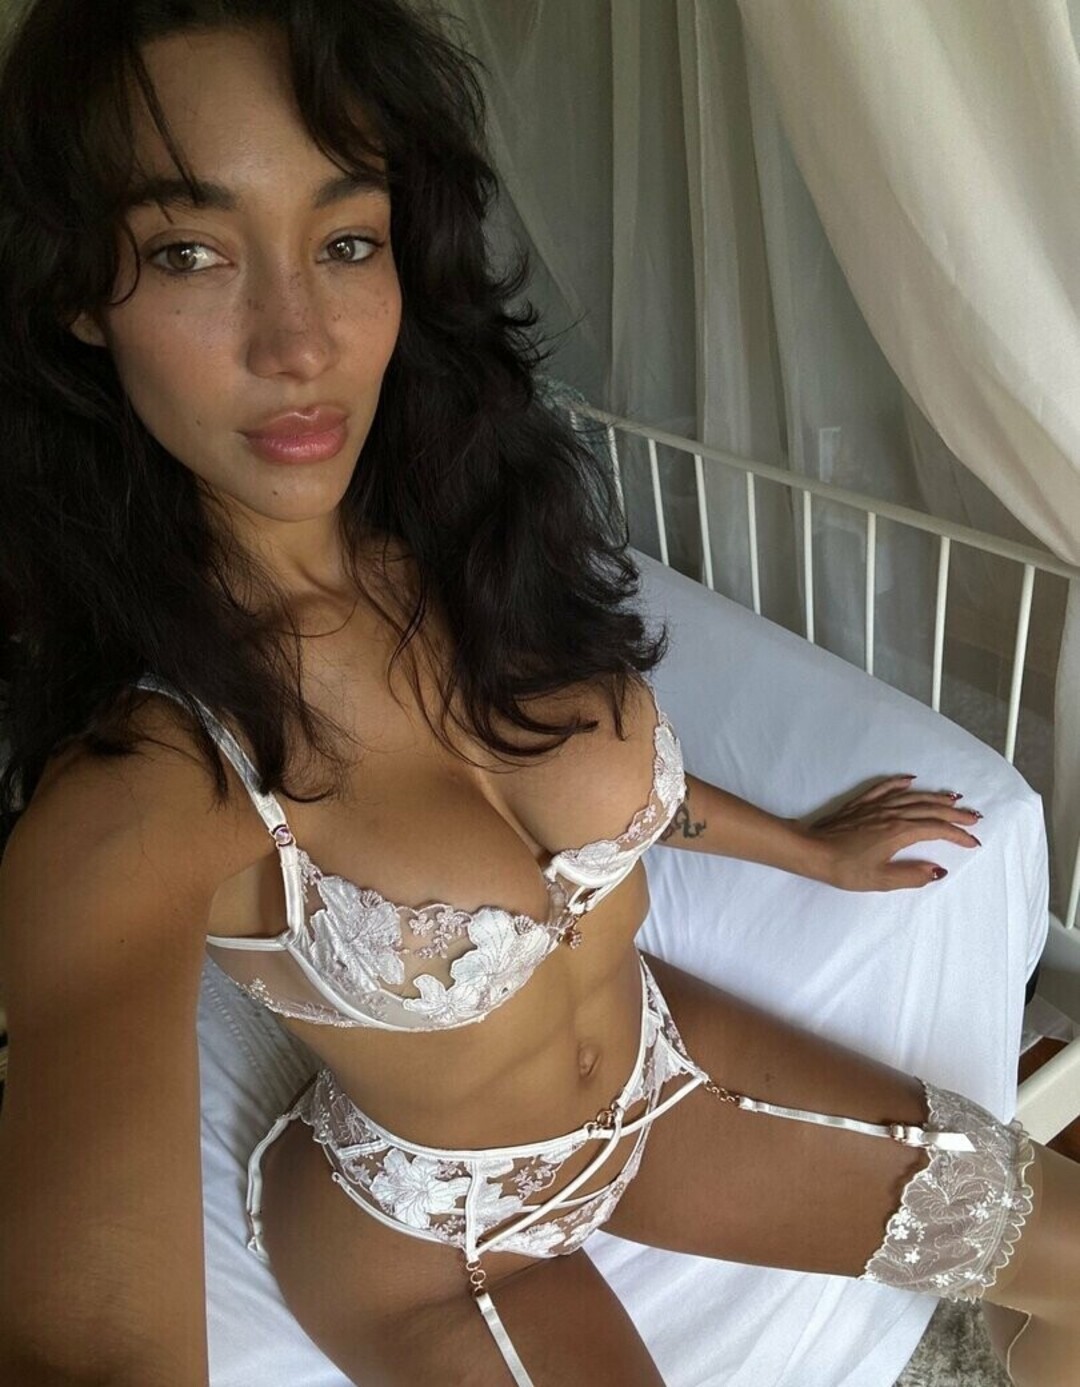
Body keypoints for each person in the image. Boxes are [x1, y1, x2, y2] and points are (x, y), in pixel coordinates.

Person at [0, 3, 1074, 1384]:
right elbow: (84, 1338)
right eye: (189, 252)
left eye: (346, 242)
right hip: (434, 1238)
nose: (300, 341)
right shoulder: (143, 791)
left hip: (662, 1083)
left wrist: (808, 851)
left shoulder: (473, 539)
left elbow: (591, 795)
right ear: (80, 295)